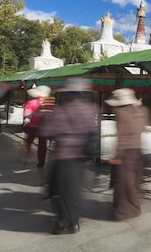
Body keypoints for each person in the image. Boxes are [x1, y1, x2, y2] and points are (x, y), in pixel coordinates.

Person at [39, 78, 99, 235]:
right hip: (80, 157)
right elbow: (94, 132)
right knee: (74, 191)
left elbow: (46, 132)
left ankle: (67, 223)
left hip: (64, 156)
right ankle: (72, 220)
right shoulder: (91, 109)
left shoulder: (61, 110)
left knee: (63, 192)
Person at [104, 88, 151, 221]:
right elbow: (143, 128)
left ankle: (126, 210)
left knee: (125, 183)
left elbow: (122, 137)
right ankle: (131, 206)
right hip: (139, 150)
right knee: (134, 181)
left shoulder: (120, 113)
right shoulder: (142, 110)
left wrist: (118, 156)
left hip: (126, 152)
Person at [22, 85, 54, 167]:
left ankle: (28, 155)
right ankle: (41, 161)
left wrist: (34, 116)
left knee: (28, 142)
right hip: (44, 127)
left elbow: (26, 115)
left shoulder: (31, 103)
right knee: (42, 144)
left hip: (32, 127)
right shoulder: (49, 104)